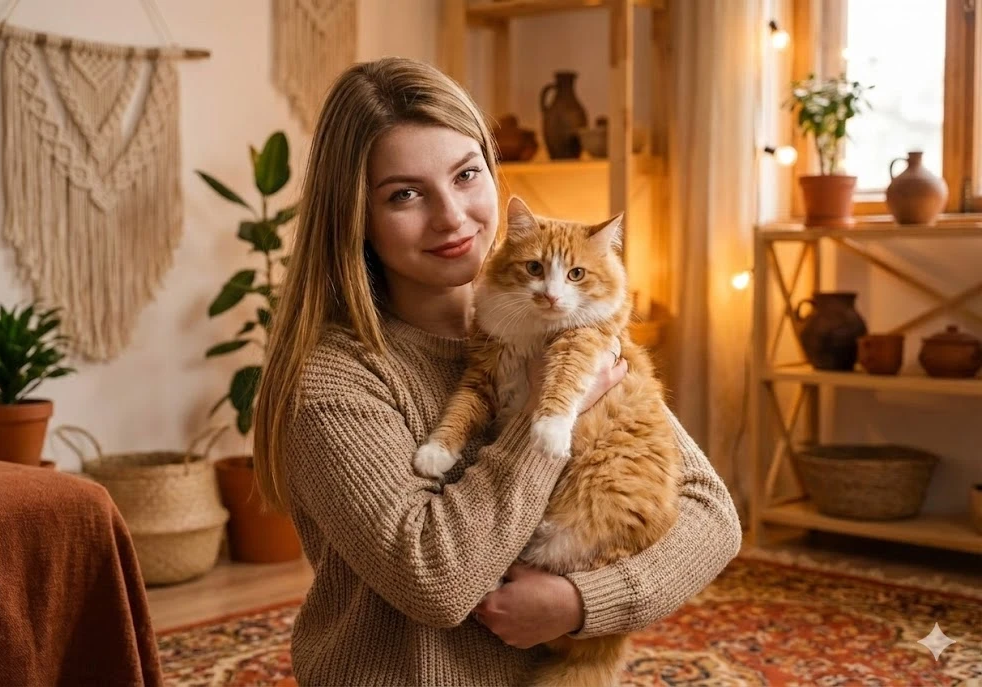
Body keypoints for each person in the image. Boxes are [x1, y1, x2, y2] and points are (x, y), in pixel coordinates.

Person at [252, 56, 742, 686]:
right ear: (355, 216)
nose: (452, 216)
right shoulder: (331, 381)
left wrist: (579, 606)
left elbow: (712, 518)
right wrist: (545, 411)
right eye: (404, 194)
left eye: (465, 175)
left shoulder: (558, 327)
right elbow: (438, 580)